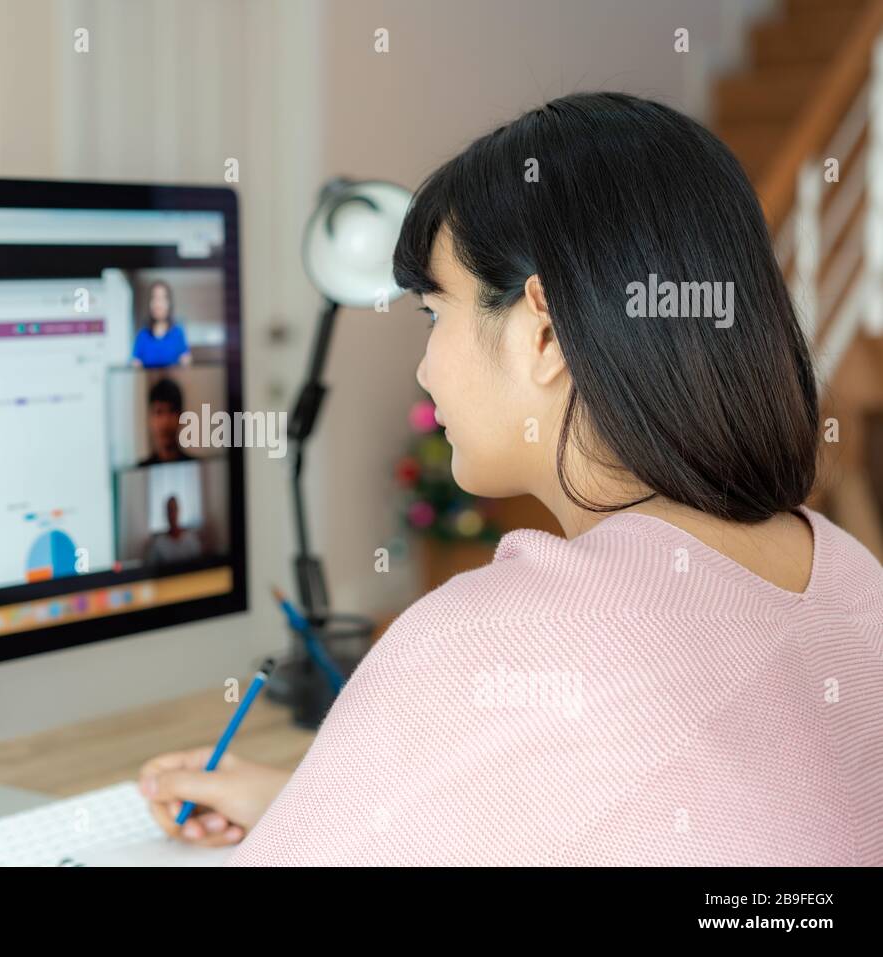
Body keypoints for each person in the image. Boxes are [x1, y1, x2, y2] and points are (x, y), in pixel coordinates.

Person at [137, 92, 883, 865]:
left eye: (434, 314)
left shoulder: (498, 636)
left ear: (545, 329)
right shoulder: (849, 571)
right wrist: (326, 799)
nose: (425, 370)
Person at [131, 280, 192, 367]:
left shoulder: (178, 333)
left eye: (162, 298)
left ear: (169, 303)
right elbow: (135, 364)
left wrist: (187, 361)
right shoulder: (142, 335)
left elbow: (186, 361)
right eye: (154, 298)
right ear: (149, 303)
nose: (158, 304)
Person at [138, 377, 193, 466]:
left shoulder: (194, 464)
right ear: (150, 418)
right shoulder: (141, 468)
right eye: (159, 412)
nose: (165, 422)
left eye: (172, 411)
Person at [143, 495, 203, 566]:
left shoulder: (191, 539)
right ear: (166, 514)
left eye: (174, 510)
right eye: (169, 510)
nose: (172, 514)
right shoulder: (158, 544)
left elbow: (200, 565)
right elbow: (151, 568)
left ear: (178, 511)